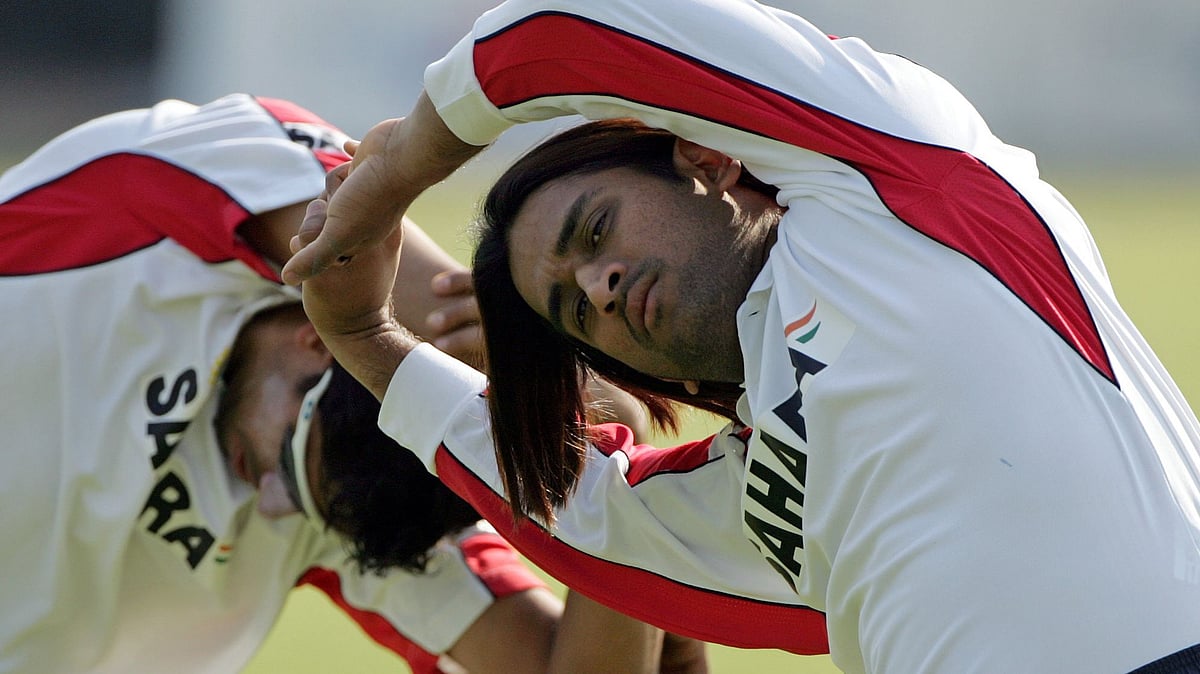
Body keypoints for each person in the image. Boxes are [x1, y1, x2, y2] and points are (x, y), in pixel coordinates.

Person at [286, 1, 1200, 672]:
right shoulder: (754, 494)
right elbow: (596, 529)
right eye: (571, 311)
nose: (598, 288)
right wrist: (365, 338)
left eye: (596, 231)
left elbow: (559, 30)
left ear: (702, 155)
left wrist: (394, 176)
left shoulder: (892, 180)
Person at [0, 92, 695, 674]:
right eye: (290, 468)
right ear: (317, 336)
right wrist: (546, 378)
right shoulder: (188, 195)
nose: (270, 505)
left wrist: (625, 486)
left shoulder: (366, 503)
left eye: (306, 506)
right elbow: (353, 230)